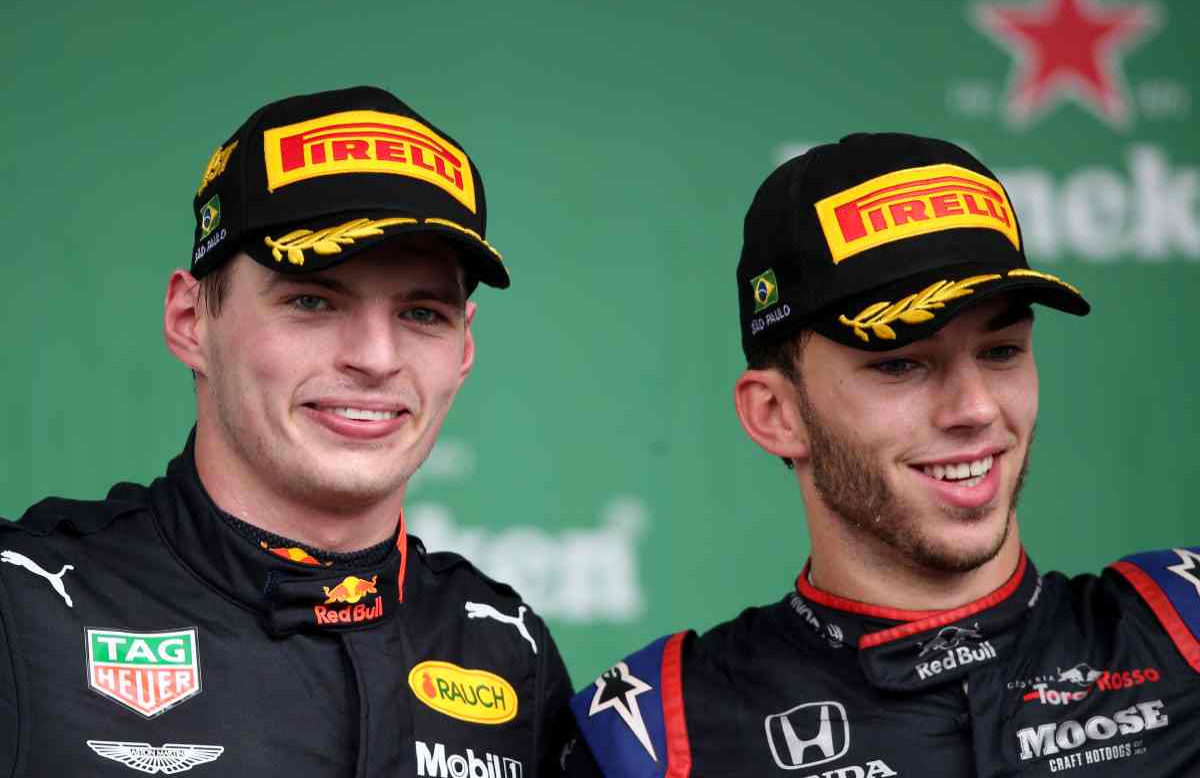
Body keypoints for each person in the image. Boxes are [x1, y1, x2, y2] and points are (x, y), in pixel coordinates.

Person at [562, 133, 1200, 776]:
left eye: (1001, 350)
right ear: (775, 414)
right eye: (899, 365)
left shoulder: (1182, 630)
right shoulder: (658, 734)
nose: (975, 408)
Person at [0, 86, 571, 776]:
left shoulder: (506, 649)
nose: (376, 358)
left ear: (464, 351)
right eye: (312, 300)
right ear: (190, 320)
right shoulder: (25, 607)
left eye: (422, 314)